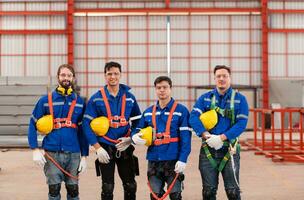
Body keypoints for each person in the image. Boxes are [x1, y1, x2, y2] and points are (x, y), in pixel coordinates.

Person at [28, 64, 89, 200]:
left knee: (73, 191)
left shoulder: (80, 103)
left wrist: (84, 155)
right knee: (54, 190)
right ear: (58, 77)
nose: (66, 78)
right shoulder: (45, 101)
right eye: (63, 75)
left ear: (73, 78)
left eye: (69, 75)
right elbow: (32, 124)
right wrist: (35, 149)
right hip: (52, 153)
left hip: (73, 154)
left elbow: (83, 131)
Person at [82, 61, 141, 200]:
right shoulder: (96, 99)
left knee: (130, 185)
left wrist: (130, 139)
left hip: (125, 146)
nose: (112, 76)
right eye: (109, 74)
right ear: (105, 76)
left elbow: (139, 121)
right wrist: (97, 147)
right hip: (105, 147)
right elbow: (86, 124)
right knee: (107, 187)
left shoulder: (130, 98)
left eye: (115, 73)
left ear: (120, 75)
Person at [189, 65, 249, 200]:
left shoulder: (241, 99)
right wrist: (205, 134)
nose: (221, 79)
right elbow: (193, 117)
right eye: (218, 76)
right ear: (214, 78)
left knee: (233, 191)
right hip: (208, 150)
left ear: (230, 78)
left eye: (225, 76)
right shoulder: (205, 98)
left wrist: (222, 138)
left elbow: (241, 124)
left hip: (230, 150)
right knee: (208, 191)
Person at [132, 76, 192, 200]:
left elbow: (186, 139)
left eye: (165, 87)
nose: (162, 90)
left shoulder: (181, 111)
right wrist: (134, 137)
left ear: (170, 89)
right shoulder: (148, 112)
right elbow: (137, 129)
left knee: (175, 196)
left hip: (173, 161)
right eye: (159, 88)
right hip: (154, 161)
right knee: (155, 197)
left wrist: (183, 159)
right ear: (155, 90)